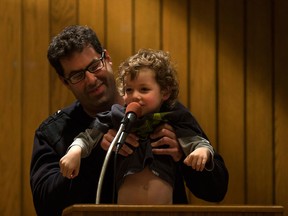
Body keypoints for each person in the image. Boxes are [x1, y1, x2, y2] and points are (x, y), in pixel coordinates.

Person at [30, 25, 228, 216]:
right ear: (65, 81)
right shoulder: (52, 132)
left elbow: (216, 189)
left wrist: (183, 153)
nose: (91, 79)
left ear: (106, 58)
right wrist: (97, 153)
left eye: (94, 66)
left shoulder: (166, 112)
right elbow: (46, 206)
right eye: (77, 75)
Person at [59, 48, 215, 205]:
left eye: (144, 89)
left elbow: (197, 141)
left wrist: (203, 151)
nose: (135, 96)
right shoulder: (117, 116)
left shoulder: (175, 118)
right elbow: (87, 137)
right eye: (129, 90)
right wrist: (75, 151)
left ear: (165, 92)